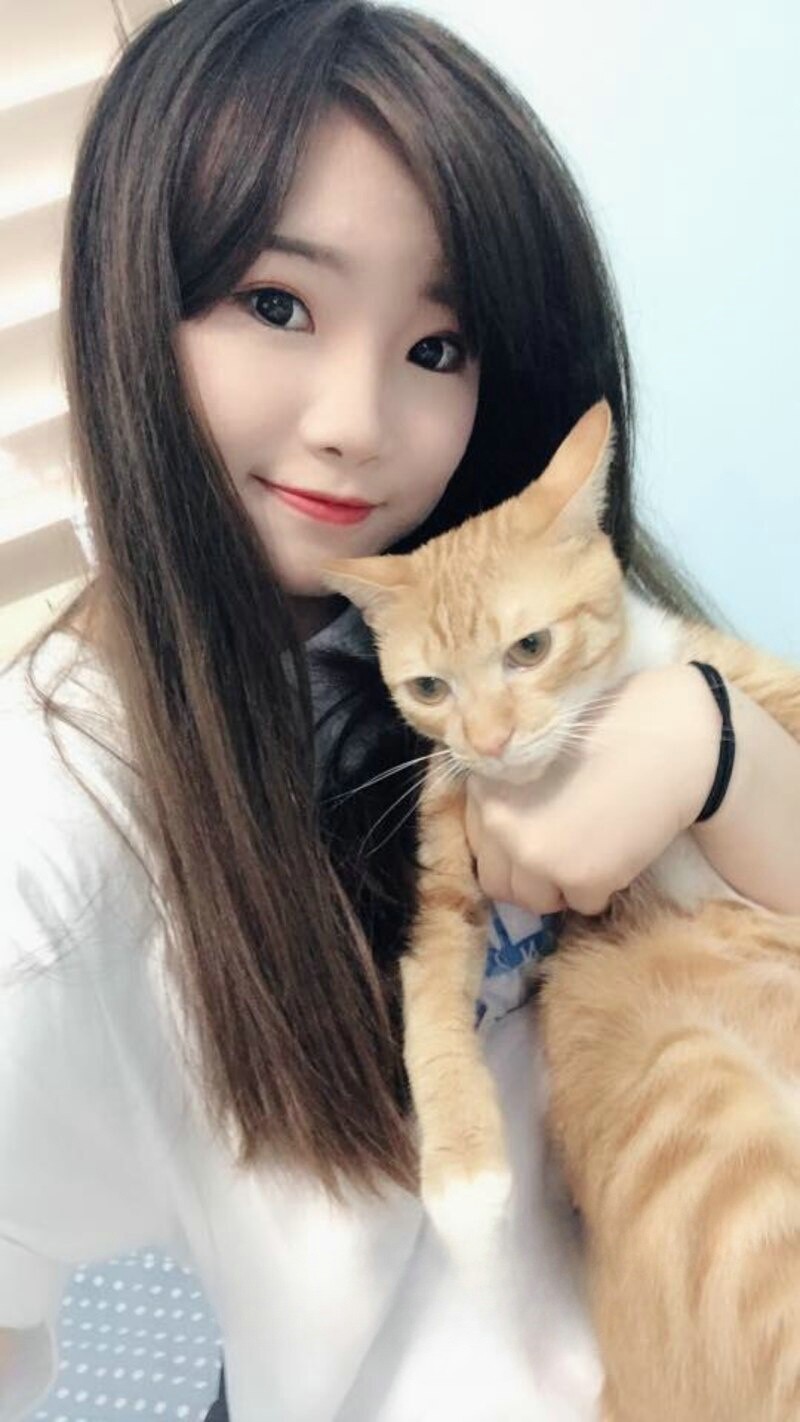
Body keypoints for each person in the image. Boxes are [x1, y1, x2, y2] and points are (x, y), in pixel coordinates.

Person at [3, 2, 800, 1420]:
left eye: (440, 346)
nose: (357, 424)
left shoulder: (481, 580)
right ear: (132, 295)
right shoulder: (57, 836)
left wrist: (722, 749)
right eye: (276, 304)